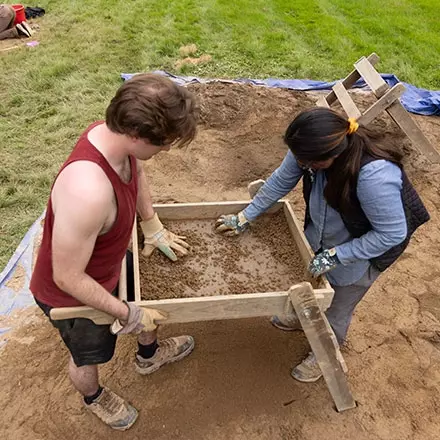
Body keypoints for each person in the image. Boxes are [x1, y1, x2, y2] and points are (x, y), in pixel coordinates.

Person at [30, 74, 198, 430]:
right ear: (135, 134)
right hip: (74, 296)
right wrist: (127, 314)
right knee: (89, 355)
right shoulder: (87, 191)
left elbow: (135, 170)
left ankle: (149, 356)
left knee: (144, 299)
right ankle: (94, 397)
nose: (167, 150)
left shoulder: (115, 138)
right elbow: (67, 276)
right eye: (164, 143)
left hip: (112, 258)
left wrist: (151, 225)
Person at [216, 107, 429, 383]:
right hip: (332, 224)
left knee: (339, 301)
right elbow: (281, 180)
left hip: (366, 246)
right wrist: (247, 214)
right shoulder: (309, 151)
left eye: (307, 162)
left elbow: (391, 234)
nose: (301, 164)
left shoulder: (374, 175)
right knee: (315, 277)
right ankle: (302, 318)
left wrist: (339, 254)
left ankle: (325, 353)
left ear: (332, 154)